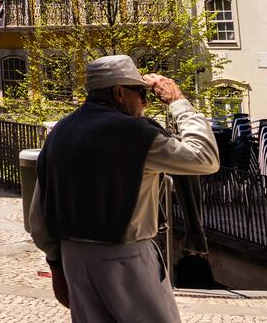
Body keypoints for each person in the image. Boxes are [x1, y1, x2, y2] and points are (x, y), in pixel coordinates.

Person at [26, 55, 219, 323]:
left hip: (74, 257)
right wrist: (178, 102)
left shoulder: (61, 131)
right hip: (125, 256)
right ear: (119, 92)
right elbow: (205, 158)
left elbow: (40, 210)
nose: (145, 103)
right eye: (141, 94)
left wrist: (55, 263)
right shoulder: (135, 134)